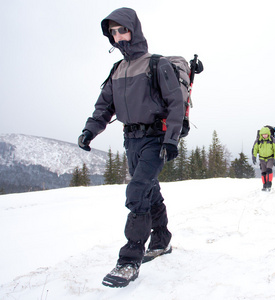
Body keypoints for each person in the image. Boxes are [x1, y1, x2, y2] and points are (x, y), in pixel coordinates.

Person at [78, 7, 183, 288]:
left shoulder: (156, 64)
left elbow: (176, 104)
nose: (118, 36)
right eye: (112, 32)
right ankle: (161, 241)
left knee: (137, 192)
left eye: (122, 30)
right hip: (131, 140)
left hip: (154, 139)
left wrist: (171, 139)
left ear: (133, 30)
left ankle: (128, 261)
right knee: (149, 191)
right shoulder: (117, 70)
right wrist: (90, 130)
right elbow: (104, 107)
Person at [252, 126, 275, 191]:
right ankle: (264, 185)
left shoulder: (272, 140)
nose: (264, 136)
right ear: (261, 134)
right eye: (263, 134)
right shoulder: (258, 140)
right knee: (263, 172)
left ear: (268, 134)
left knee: (269, 170)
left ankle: (269, 184)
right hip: (262, 159)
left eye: (266, 134)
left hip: (270, 158)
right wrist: (254, 156)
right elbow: (255, 149)